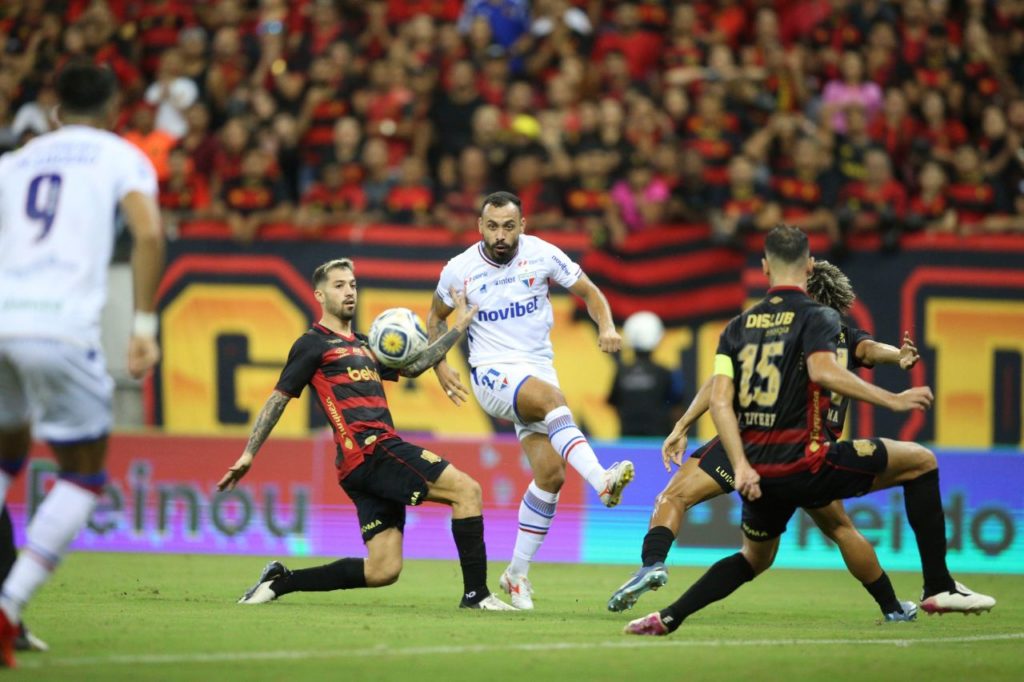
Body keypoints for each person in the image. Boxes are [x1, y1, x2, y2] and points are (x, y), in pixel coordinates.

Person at [624, 225, 996, 636]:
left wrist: (688, 429)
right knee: (905, 475)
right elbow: (857, 353)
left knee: (748, 553)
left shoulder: (742, 326)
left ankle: (663, 598)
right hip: (809, 457)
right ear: (811, 267)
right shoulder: (825, 322)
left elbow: (719, 393)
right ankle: (924, 592)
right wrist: (894, 393)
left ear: (765, 267)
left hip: (755, 459)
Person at [608, 260, 921, 621]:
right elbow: (869, 350)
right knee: (838, 528)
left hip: (752, 441)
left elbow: (720, 382)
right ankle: (893, 607)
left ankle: (653, 564)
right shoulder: (845, 338)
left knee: (674, 497)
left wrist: (681, 424)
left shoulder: (775, 331)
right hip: (808, 456)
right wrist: (899, 356)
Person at [218, 258, 514, 611]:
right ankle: (476, 595)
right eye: (339, 285)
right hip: (372, 449)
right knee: (467, 490)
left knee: (382, 569)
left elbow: (414, 366)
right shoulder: (312, 344)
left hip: (359, 465)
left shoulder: (365, 344)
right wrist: (250, 453)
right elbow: (278, 399)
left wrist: (458, 328)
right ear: (319, 294)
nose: (349, 292)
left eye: (353, 285)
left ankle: (281, 582)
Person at [0, 62, 164, 667]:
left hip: (1, 321)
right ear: (116, 107)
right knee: (82, 471)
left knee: (7, 455)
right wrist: (143, 326)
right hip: (59, 328)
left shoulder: (15, 161)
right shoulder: (119, 156)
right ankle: (9, 605)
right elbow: (148, 234)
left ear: (53, 108)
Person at [428, 191, 634, 610]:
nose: (500, 235)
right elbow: (435, 317)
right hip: (491, 372)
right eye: (492, 226)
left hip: (536, 369)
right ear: (479, 227)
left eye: (508, 226)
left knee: (551, 475)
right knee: (553, 398)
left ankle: (516, 574)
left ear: (523, 225)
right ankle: (601, 481)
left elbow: (591, 293)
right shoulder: (459, 270)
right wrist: (441, 365)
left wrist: (607, 326)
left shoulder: (542, 254)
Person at [608, 312, 682, 437]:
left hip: (627, 440)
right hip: (659, 441)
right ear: (657, 338)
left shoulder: (621, 372)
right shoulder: (665, 373)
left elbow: (612, 401)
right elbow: (677, 406)